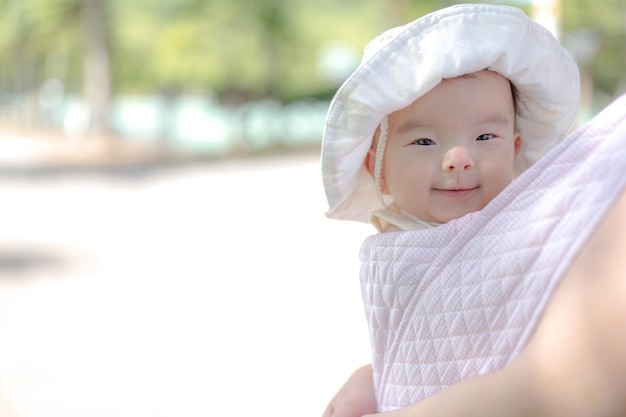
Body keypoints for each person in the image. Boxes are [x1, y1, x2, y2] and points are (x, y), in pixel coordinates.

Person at [320, 3, 626, 416]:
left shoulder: (531, 228)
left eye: (485, 135)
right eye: (424, 142)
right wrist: (373, 376)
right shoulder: (392, 244)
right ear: (379, 169)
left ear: (516, 149)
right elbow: (411, 345)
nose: (459, 158)